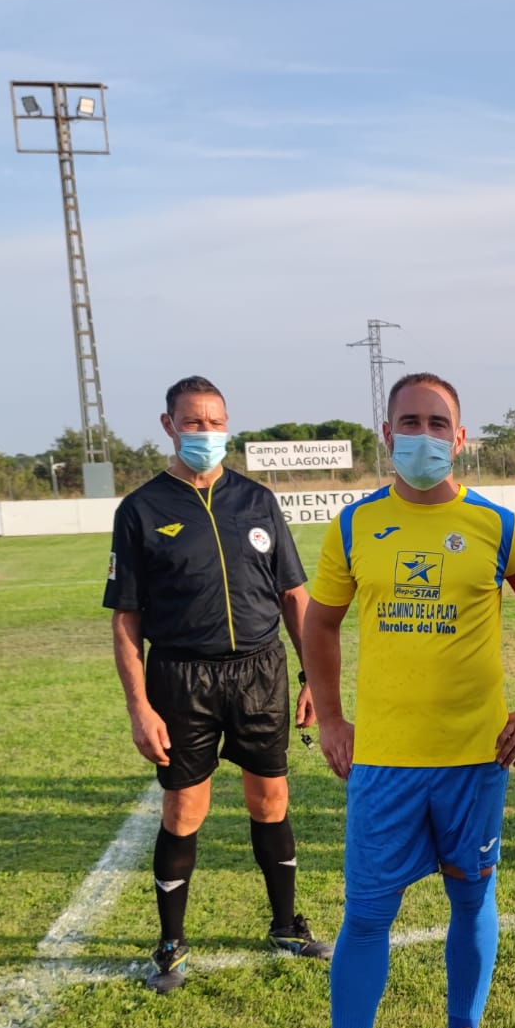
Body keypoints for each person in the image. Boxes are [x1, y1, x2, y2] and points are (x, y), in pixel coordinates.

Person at [285, 373, 515, 1028]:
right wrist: (331, 716)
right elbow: (322, 625)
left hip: (475, 759)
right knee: (367, 914)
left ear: (460, 438)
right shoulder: (352, 527)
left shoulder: (502, 527)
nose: (425, 435)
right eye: (411, 421)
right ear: (387, 432)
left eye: (440, 423)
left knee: (473, 899)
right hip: (384, 764)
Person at [104, 375, 327, 994]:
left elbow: (294, 596)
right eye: (194, 422)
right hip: (181, 678)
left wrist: (315, 677)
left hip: (260, 671)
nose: (207, 433)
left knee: (271, 802)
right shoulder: (142, 510)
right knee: (185, 809)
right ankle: (171, 943)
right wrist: (139, 707)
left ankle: (285, 924)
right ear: (169, 425)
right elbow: (127, 622)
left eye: (216, 421)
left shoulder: (256, 501)